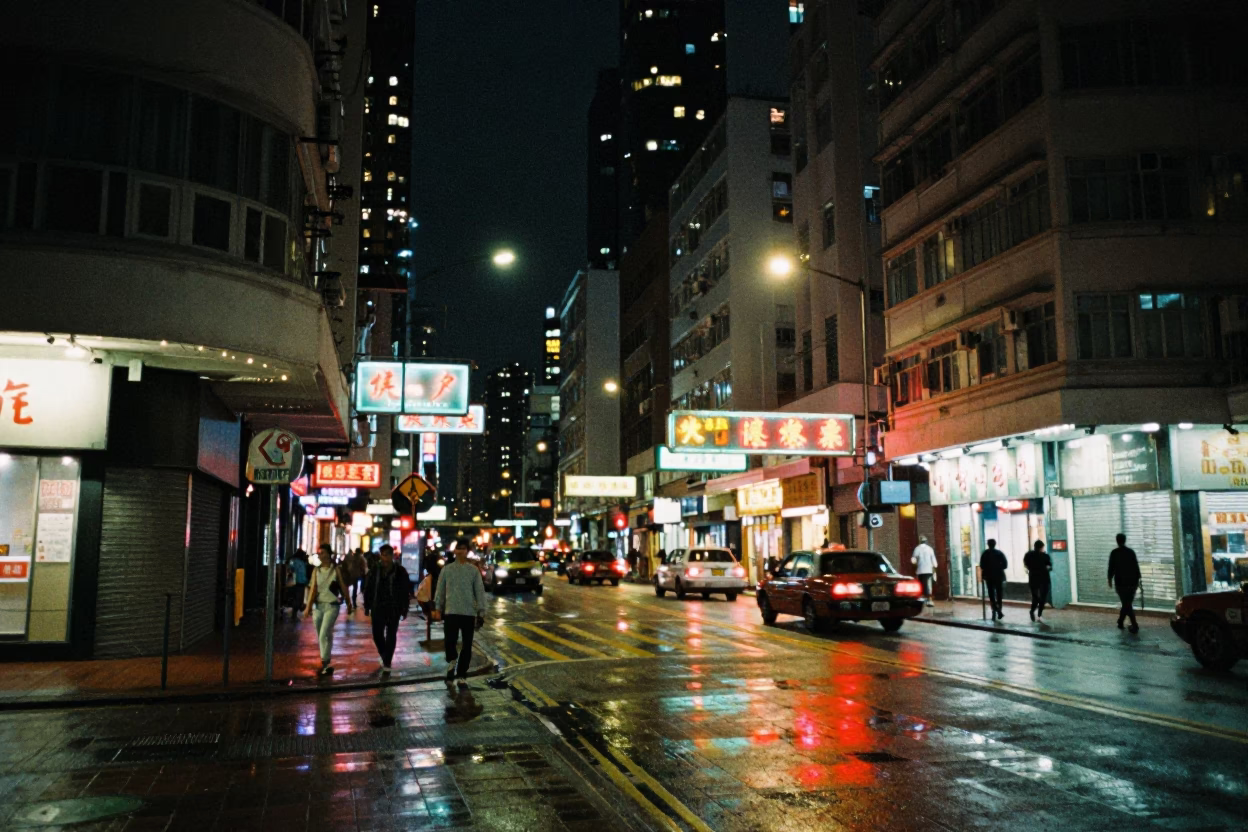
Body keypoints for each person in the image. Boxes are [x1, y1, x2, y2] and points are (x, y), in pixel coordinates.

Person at [434, 537, 487, 687]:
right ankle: (452, 660)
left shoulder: (473, 570)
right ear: (455, 551)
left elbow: (479, 592)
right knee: (449, 641)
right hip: (451, 611)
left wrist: (481, 612)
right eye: (458, 548)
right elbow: (440, 591)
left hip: (468, 612)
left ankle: (462, 673)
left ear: (467, 551)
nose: (460, 551)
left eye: (463, 548)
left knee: (467, 644)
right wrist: (438, 608)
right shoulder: (447, 569)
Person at [304, 544, 353, 675]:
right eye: (319, 553)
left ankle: (324, 662)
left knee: (323, 634)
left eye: (323, 553)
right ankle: (327, 660)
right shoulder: (316, 571)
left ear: (328, 554)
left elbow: (343, 586)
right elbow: (313, 589)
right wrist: (308, 607)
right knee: (324, 634)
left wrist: (349, 603)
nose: (320, 555)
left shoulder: (336, 569)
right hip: (318, 606)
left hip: (332, 606)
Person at [362, 544, 411, 673]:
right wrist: (367, 606)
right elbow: (368, 588)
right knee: (377, 634)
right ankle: (384, 655)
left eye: (388, 555)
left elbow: (405, 591)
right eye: (383, 555)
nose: (385, 558)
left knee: (391, 635)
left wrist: (404, 609)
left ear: (392, 556)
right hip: (378, 607)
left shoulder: (400, 571)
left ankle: (387, 660)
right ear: (381, 555)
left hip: (393, 608)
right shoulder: (375, 570)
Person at [1108, 533, 1141, 633]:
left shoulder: (1114, 552)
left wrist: (1109, 579)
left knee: (1126, 603)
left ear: (1117, 541)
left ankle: (1132, 624)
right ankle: (1122, 621)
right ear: (1125, 540)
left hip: (1120, 583)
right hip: (1132, 583)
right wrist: (1138, 580)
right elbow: (1136, 567)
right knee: (1127, 603)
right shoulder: (1130, 552)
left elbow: (1111, 567)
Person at [1023, 540, 1052, 621]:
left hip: (1033, 578)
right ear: (1042, 547)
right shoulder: (1045, 556)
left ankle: (1032, 611)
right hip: (1044, 578)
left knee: (1035, 596)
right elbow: (1049, 566)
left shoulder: (1028, 555)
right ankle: (1039, 614)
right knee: (1043, 597)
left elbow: (1026, 565)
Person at [979, 539, 1008, 620]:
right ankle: (999, 610)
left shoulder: (985, 554)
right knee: (999, 595)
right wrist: (998, 567)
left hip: (989, 577)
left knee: (991, 595)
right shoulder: (999, 553)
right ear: (995, 544)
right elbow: (1005, 565)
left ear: (988, 544)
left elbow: (982, 565)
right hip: (999, 576)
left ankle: (995, 611)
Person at [911, 535, 937, 607]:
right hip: (928, 570)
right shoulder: (930, 549)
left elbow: (913, 560)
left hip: (920, 570)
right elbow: (934, 560)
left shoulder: (917, 549)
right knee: (928, 585)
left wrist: (915, 564)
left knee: (921, 584)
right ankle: (929, 600)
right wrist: (935, 567)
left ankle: (921, 599)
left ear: (920, 541)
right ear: (926, 541)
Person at [288, 550, 309, 619]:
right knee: (298, 598)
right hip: (299, 582)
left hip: (299, 582)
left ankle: (295, 614)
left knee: (298, 598)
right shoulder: (298, 562)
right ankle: (294, 614)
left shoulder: (296, 561)